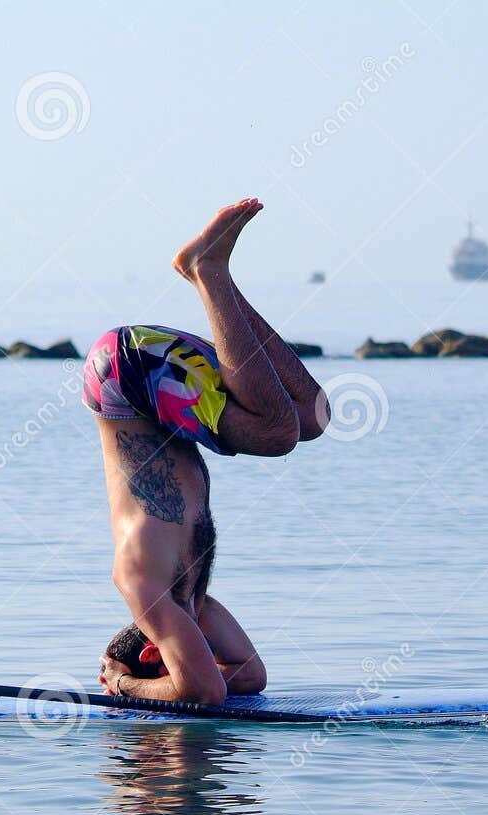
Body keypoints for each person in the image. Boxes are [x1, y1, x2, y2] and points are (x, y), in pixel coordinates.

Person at [82, 198, 328, 705]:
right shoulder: (193, 601)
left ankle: (206, 269)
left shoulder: (140, 583)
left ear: (153, 653)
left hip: (122, 377)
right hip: (138, 379)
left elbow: (202, 693)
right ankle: (213, 275)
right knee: (310, 415)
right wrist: (185, 675)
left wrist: (123, 687)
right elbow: (246, 676)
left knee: (275, 433)